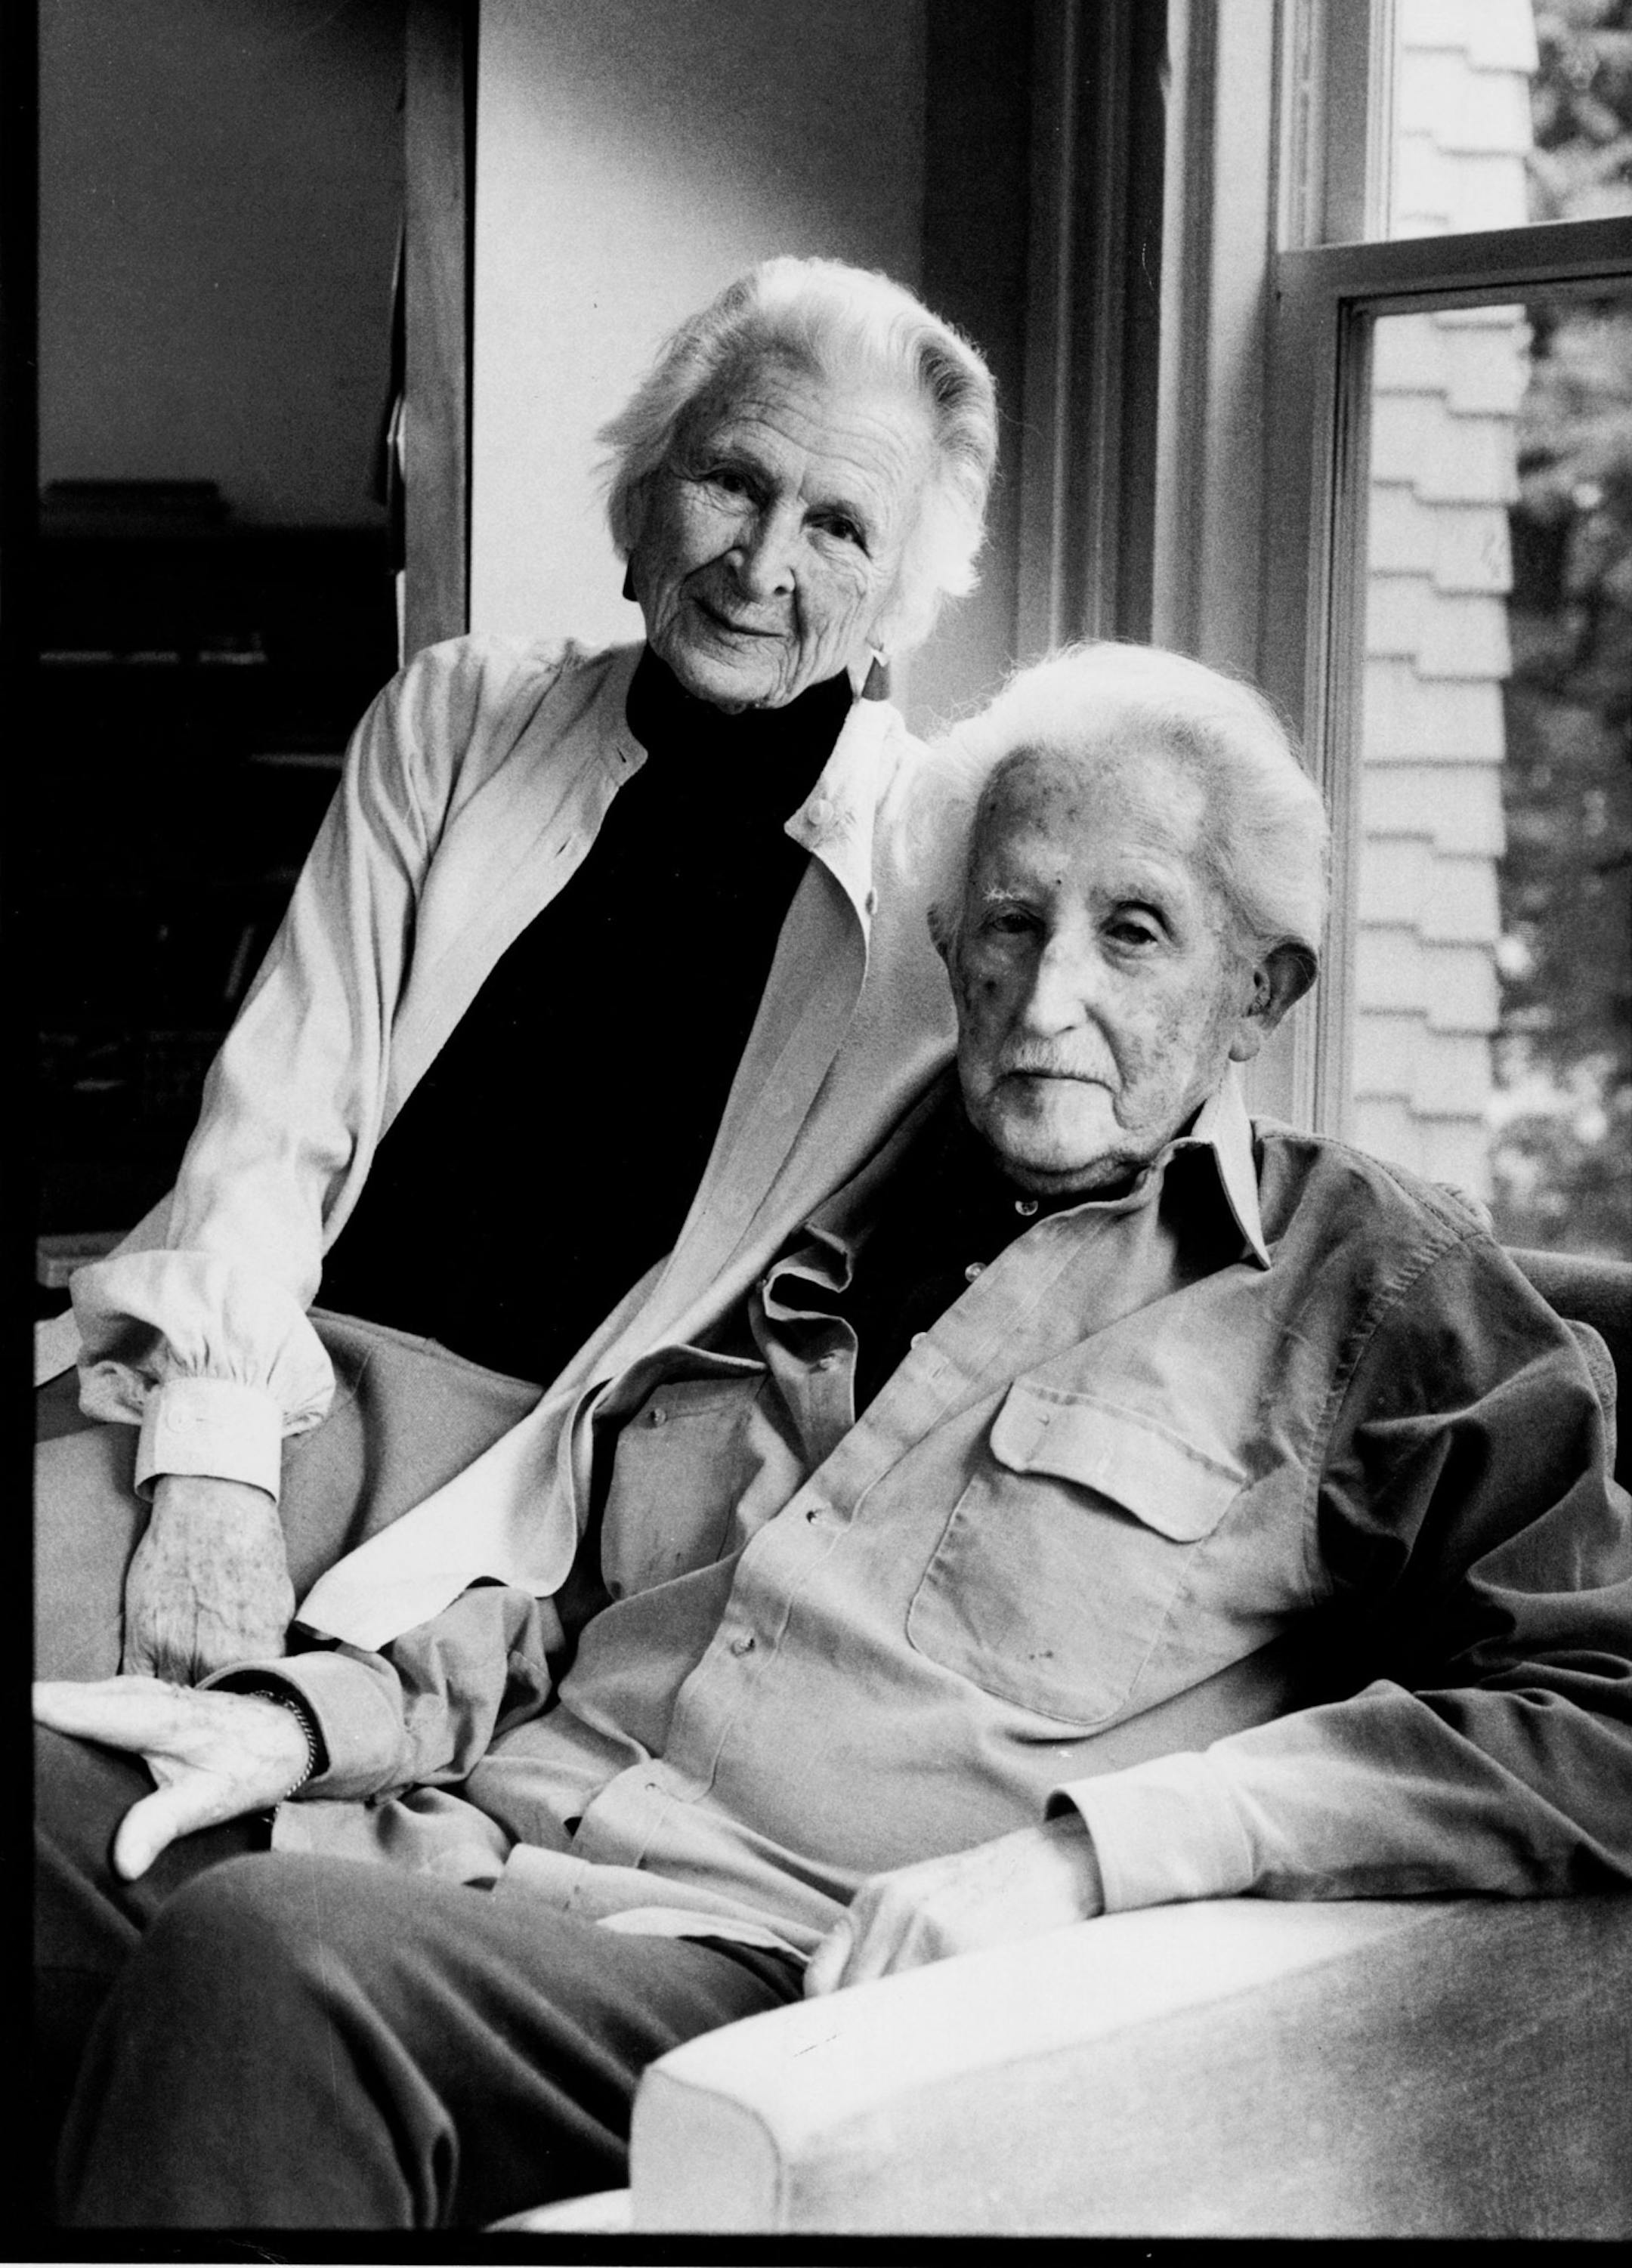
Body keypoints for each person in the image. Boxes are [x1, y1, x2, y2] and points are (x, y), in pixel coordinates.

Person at [35, 642, 1632, 2229]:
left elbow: (1602, 1713)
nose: (1048, 993)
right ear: (952, 945)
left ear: (1257, 992)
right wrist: (312, 1724)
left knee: (267, 1961)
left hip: (765, 1975)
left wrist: (1092, 1857)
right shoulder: (827, 1196)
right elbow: (572, 1588)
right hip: (460, 1848)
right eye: (1010, 922)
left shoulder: (1374, 1287)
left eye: (1132, 930)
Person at [34, 256, 998, 1688]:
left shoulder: (934, 878)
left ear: (900, 596)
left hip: (542, 1491)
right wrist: (217, 1469)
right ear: (645, 493)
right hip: (276, 1370)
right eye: (734, 480)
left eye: (841, 525)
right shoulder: (458, 718)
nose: (763, 561)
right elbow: (278, 1117)